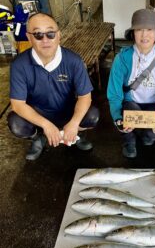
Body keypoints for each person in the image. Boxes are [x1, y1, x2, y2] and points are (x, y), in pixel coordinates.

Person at [8, 12, 99, 160]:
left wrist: (74, 123)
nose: (45, 39)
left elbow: (85, 96)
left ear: (58, 35)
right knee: (16, 123)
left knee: (92, 115)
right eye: (38, 34)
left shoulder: (73, 61)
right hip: (38, 116)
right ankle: (38, 137)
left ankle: (76, 133)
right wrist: (46, 125)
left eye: (50, 33)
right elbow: (18, 105)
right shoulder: (19, 65)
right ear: (29, 37)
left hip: (67, 113)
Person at [107, 9, 155, 158]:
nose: (144, 35)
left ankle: (146, 135)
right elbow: (114, 93)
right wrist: (118, 118)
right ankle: (129, 141)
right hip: (131, 104)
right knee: (127, 113)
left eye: (149, 29)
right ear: (133, 33)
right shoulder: (122, 58)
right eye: (139, 30)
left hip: (153, 106)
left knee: (151, 136)